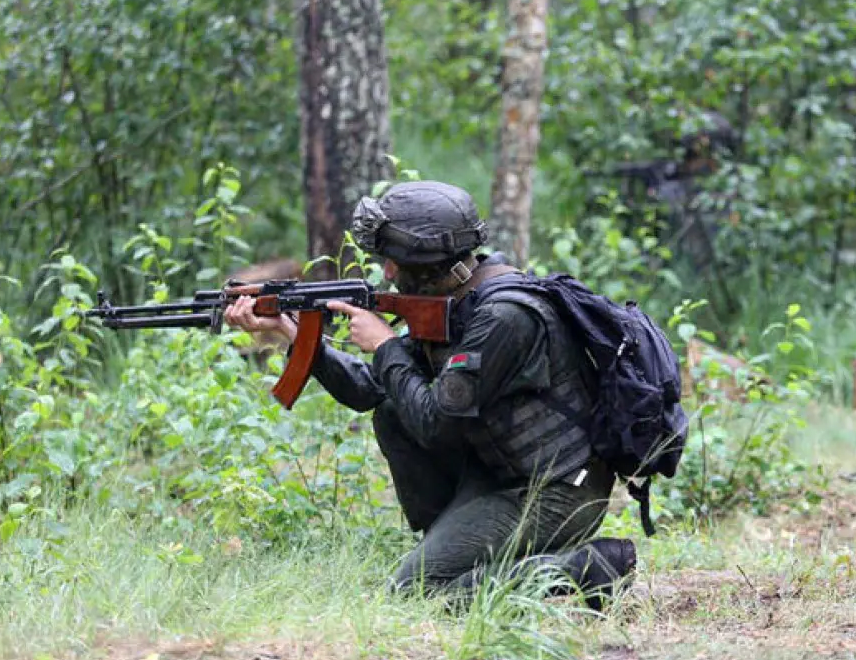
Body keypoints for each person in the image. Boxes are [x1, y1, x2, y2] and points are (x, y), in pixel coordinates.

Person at [223, 181, 636, 606]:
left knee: (416, 592)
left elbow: (436, 423)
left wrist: (385, 344)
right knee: (392, 410)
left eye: (393, 261)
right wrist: (293, 335)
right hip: (501, 474)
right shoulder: (457, 299)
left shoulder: (504, 316)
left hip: (557, 491)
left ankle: (584, 567)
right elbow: (373, 390)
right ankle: (452, 547)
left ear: (426, 262)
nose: (385, 272)